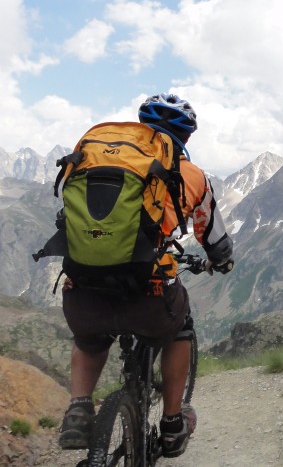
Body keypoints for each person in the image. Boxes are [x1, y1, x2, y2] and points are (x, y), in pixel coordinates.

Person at [57, 93, 234, 458]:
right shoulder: (191, 175)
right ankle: (171, 424)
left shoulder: (93, 160)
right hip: (149, 295)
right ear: (184, 137)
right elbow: (213, 238)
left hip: (82, 290)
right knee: (178, 329)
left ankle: (77, 408)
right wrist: (221, 261)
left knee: (90, 341)